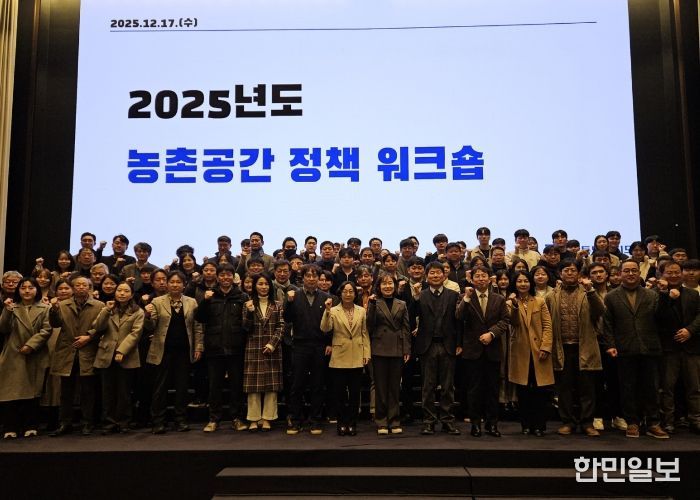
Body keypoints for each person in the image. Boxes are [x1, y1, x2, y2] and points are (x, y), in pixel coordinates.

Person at [602, 260, 669, 439]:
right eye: (626, 271)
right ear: (620, 274)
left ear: (639, 273)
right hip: (624, 348)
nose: (630, 274)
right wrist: (610, 345)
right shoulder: (611, 296)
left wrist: (664, 294)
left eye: (634, 271)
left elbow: (662, 319)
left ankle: (653, 423)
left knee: (652, 387)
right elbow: (607, 324)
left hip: (650, 347)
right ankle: (632, 422)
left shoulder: (652, 294)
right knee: (627, 388)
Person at [546, 260, 605, 437]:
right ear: (560, 273)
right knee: (564, 388)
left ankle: (587, 423)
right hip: (561, 347)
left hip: (584, 346)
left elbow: (600, 311)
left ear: (579, 273)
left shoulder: (588, 292)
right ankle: (568, 422)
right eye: (566, 270)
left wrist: (591, 291)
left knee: (587, 388)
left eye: (573, 270)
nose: (570, 273)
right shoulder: (551, 296)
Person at [145, 271, 203, 434]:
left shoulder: (191, 302)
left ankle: (180, 420)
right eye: (172, 282)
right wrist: (147, 315)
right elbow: (150, 326)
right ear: (167, 284)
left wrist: (199, 347)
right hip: (163, 351)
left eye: (178, 282)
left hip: (184, 351)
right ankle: (158, 421)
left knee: (182, 387)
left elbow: (197, 327)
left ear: (184, 285)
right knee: (160, 388)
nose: (175, 285)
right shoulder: (157, 302)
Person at [457, 266, 510, 437]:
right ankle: (475, 424)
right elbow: (459, 317)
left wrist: (492, 334)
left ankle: (492, 424)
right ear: (471, 279)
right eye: (477, 276)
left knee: (493, 389)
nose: (480, 279)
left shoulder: (499, 299)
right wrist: (466, 298)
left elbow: (505, 320)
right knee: (474, 390)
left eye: (483, 276)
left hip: (493, 350)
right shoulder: (465, 298)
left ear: (489, 278)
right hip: (473, 351)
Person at [410, 261, 462, 435]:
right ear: (426, 276)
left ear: (444, 275)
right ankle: (429, 421)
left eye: (438, 272)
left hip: (448, 345)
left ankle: (447, 421)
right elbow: (411, 317)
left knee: (448, 387)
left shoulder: (453, 295)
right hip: (427, 346)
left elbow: (459, 322)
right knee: (428, 386)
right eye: (431, 273)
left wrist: (459, 343)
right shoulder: (421, 295)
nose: (435, 275)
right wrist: (415, 299)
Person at [49, 275, 105, 436]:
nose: (81, 287)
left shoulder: (99, 305)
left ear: (89, 287)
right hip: (67, 351)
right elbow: (55, 324)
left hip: (88, 351)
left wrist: (89, 336)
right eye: (77, 285)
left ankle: (88, 423)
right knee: (66, 391)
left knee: (88, 390)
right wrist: (54, 310)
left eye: (84, 285)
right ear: (73, 288)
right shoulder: (62, 304)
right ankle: (65, 423)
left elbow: (103, 327)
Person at [195, 263, 248, 432]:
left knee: (236, 386)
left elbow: (247, 323)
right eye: (222, 275)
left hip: (236, 348)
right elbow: (200, 318)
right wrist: (205, 301)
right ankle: (214, 419)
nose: (226, 278)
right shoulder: (210, 295)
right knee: (214, 386)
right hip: (214, 348)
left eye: (229, 275)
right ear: (217, 277)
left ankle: (237, 418)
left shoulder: (242, 297)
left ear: (234, 277)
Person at [283, 264, 332, 435]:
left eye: (314, 276)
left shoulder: (326, 297)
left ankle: (315, 420)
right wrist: (289, 303)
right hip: (300, 345)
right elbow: (287, 318)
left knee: (318, 384)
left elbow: (330, 324)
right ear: (302, 278)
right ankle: (296, 420)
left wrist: (329, 343)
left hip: (319, 346)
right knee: (297, 384)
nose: (311, 279)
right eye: (308, 276)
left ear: (319, 278)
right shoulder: (294, 295)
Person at [0, 278, 52, 438]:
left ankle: (31, 425)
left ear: (37, 290)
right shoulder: (12, 307)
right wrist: (7, 311)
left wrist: (31, 345)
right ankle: (10, 427)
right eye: (23, 288)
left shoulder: (45, 308)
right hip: (13, 354)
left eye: (31, 287)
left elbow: (46, 330)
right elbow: (3, 328)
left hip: (35, 354)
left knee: (33, 392)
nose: (27, 291)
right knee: (11, 392)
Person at [92, 282, 144, 433]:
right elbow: (98, 327)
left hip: (127, 355)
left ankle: (123, 422)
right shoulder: (107, 308)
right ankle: (108, 423)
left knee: (124, 392)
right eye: (119, 290)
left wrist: (122, 351)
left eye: (126, 291)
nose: (122, 293)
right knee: (107, 392)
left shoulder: (137, 311)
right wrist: (106, 311)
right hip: (106, 354)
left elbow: (135, 334)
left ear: (132, 294)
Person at [655, 260, 700, 434]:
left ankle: (696, 419)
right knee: (667, 388)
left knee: (694, 387)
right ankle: (668, 421)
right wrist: (666, 296)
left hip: (691, 346)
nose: (673, 275)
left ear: (681, 274)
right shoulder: (656, 294)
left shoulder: (693, 294)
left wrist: (690, 330)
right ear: (661, 274)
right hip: (668, 348)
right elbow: (658, 317)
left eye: (676, 272)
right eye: (669, 273)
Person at [321, 281, 370, 436]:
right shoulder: (333, 310)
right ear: (340, 293)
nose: (348, 294)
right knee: (339, 393)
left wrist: (366, 353)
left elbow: (364, 333)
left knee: (355, 394)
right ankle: (342, 423)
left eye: (351, 291)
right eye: (345, 291)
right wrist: (327, 311)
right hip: (339, 355)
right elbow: (325, 328)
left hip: (357, 354)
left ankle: (352, 423)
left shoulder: (361, 311)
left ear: (355, 294)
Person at [508, 270, 554, 437]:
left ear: (531, 283)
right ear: (515, 284)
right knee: (523, 391)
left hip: (539, 351)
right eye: (519, 281)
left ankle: (540, 426)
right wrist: (514, 305)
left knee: (540, 391)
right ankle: (526, 425)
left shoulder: (540, 301)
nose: (523, 284)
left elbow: (547, 326)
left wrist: (546, 347)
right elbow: (513, 322)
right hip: (520, 352)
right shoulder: (510, 303)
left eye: (526, 281)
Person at [366, 274, 410, 435]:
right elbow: (369, 325)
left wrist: (407, 349)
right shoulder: (374, 302)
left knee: (394, 387)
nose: (387, 286)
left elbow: (406, 328)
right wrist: (371, 305)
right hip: (379, 348)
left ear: (395, 285)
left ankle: (394, 420)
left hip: (397, 347)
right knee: (380, 387)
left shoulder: (402, 304)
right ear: (379, 287)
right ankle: (381, 421)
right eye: (384, 284)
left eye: (390, 283)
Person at [242, 273, 284, 431]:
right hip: (253, 348)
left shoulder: (278, 305)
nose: (263, 287)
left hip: (272, 349)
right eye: (260, 284)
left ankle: (267, 418)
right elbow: (245, 328)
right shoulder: (248, 304)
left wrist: (272, 344)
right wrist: (250, 312)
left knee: (271, 387)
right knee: (253, 387)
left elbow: (281, 327)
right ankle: (253, 419)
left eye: (266, 284)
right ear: (254, 286)